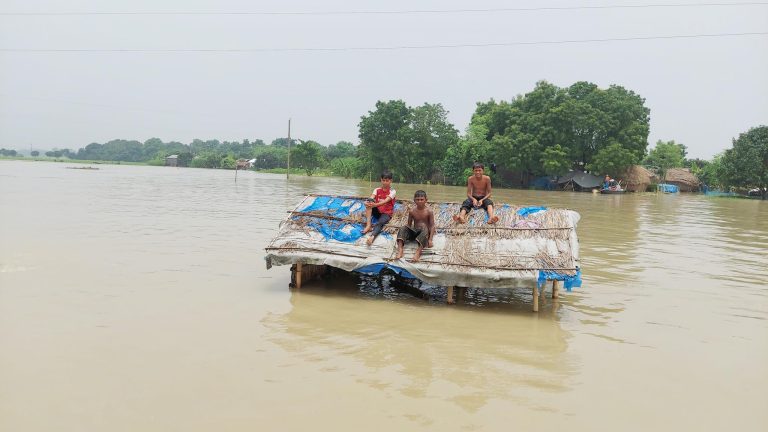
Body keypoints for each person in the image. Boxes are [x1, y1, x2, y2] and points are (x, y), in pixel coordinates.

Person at [395, 190, 435, 262]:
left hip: (424, 233)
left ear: (426, 200)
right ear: (414, 200)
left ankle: (418, 252)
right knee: (403, 228)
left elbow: (432, 226)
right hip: (415, 231)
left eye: (422, 199)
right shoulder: (412, 211)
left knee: (425, 228)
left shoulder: (429, 211)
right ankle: (400, 249)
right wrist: (405, 233)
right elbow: (409, 225)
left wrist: (430, 240)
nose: (420, 201)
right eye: (417, 200)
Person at [362, 170, 396, 246]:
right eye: (383, 180)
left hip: (386, 213)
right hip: (377, 211)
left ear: (391, 181)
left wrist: (375, 205)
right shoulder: (377, 190)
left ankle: (372, 237)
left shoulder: (392, 191)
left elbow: (385, 202)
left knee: (380, 223)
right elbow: (371, 198)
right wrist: (367, 202)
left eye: (387, 181)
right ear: (381, 180)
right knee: (369, 204)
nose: (385, 182)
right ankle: (368, 225)